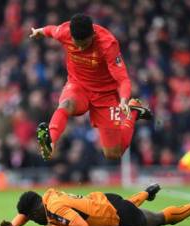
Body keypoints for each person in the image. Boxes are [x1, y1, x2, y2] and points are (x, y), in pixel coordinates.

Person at [29, 13, 152, 161]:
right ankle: (50, 142)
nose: (80, 49)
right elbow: (50, 30)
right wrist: (39, 31)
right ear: (71, 36)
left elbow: (123, 79)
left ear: (93, 35)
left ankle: (133, 113)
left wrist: (124, 100)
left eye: (84, 44)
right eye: (77, 44)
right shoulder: (64, 32)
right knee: (66, 104)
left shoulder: (108, 44)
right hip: (78, 85)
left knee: (113, 154)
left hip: (105, 94)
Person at [0, 183, 190, 226]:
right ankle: (147, 192)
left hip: (117, 215)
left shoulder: (55, 209)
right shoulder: (47, 197)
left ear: (37, 211)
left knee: (158, 219)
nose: (32, 220)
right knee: (129, 203)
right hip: (104, 199)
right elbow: (27, 213)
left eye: (31, 218)